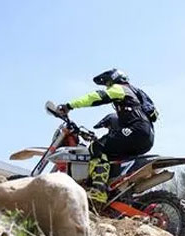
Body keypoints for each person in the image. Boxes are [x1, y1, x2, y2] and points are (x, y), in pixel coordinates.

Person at [57, 69, 157, 206]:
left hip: (137, 131)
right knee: (111, 156)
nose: (108, 87)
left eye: (108, 83)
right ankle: (115, 193)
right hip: (147, 135)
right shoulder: (136, 93)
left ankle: (99, 191)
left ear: (115, 79)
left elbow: (97, 97)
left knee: (97, 147)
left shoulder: (121, 88)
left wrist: (70, 105)